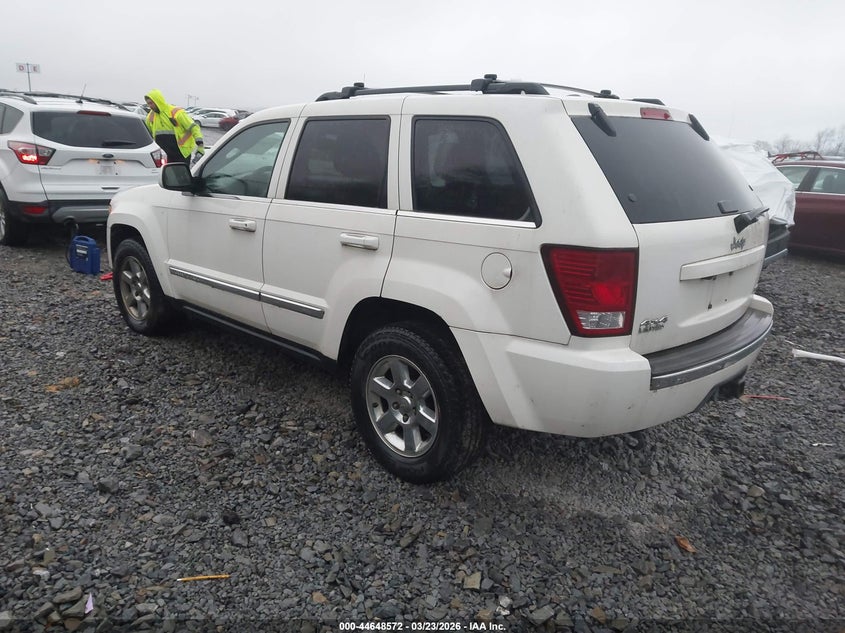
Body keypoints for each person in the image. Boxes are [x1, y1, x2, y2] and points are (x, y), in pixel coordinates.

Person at [143, 89, 204, 165]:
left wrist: (200, 145)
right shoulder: (150, 117)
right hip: (164, 156)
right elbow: (147, 135)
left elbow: (193, 127)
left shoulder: (175, 112)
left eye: (151, 103)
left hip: (181, 153)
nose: (149, 106)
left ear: (157, 101)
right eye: (148, 103)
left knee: (181, 176)